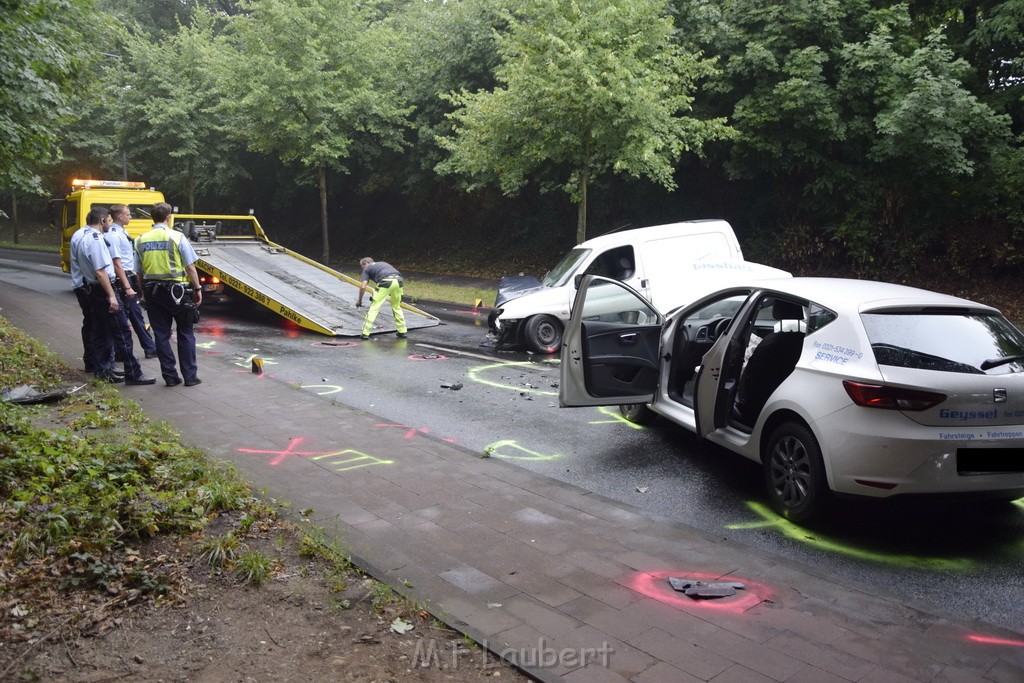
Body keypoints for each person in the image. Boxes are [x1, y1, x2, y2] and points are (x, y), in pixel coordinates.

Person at [69, 206, 155, 385]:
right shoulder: (95, 240)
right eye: (108, 220)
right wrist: (112, 296)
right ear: (102, 221)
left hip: (92, 290)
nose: (109, 223)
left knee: (101, 332)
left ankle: (103, 371)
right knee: (122, 332)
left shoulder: (83, 236)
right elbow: (101, 272)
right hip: (103, 291)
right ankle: (133, 373)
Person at [135, 202, 203, 387]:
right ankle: (190, 376)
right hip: (177, 292)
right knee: (186, 331)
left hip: (152, 292)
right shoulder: (177, 237)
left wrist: (143, 293)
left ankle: (170, 377)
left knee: (161, 334)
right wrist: (197, 289)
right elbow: (190, 267)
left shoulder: (141, 240)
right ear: (168, 217)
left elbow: (138, 272)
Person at [108, 203, 157, 358]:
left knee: (135, 315)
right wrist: (127, 286)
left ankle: (147, 348)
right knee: (128, 317)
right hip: (123, 280)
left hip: (129, 277)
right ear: (120, 216)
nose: (130, 216)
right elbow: (117, 263)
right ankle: (127, 351)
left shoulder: (122, 232)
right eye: (128, 214)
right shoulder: (113, 235)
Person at [355, 257, 407, 339]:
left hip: (385, 282)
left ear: (365, 263)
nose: (362, 269)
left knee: (374, 307)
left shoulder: (367, 268)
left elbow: (363, 287)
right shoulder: (383, 263)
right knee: (396, 306)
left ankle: (365, 333)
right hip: (399, 280)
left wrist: (359, 301)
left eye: (362, 266)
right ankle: (402, 331)